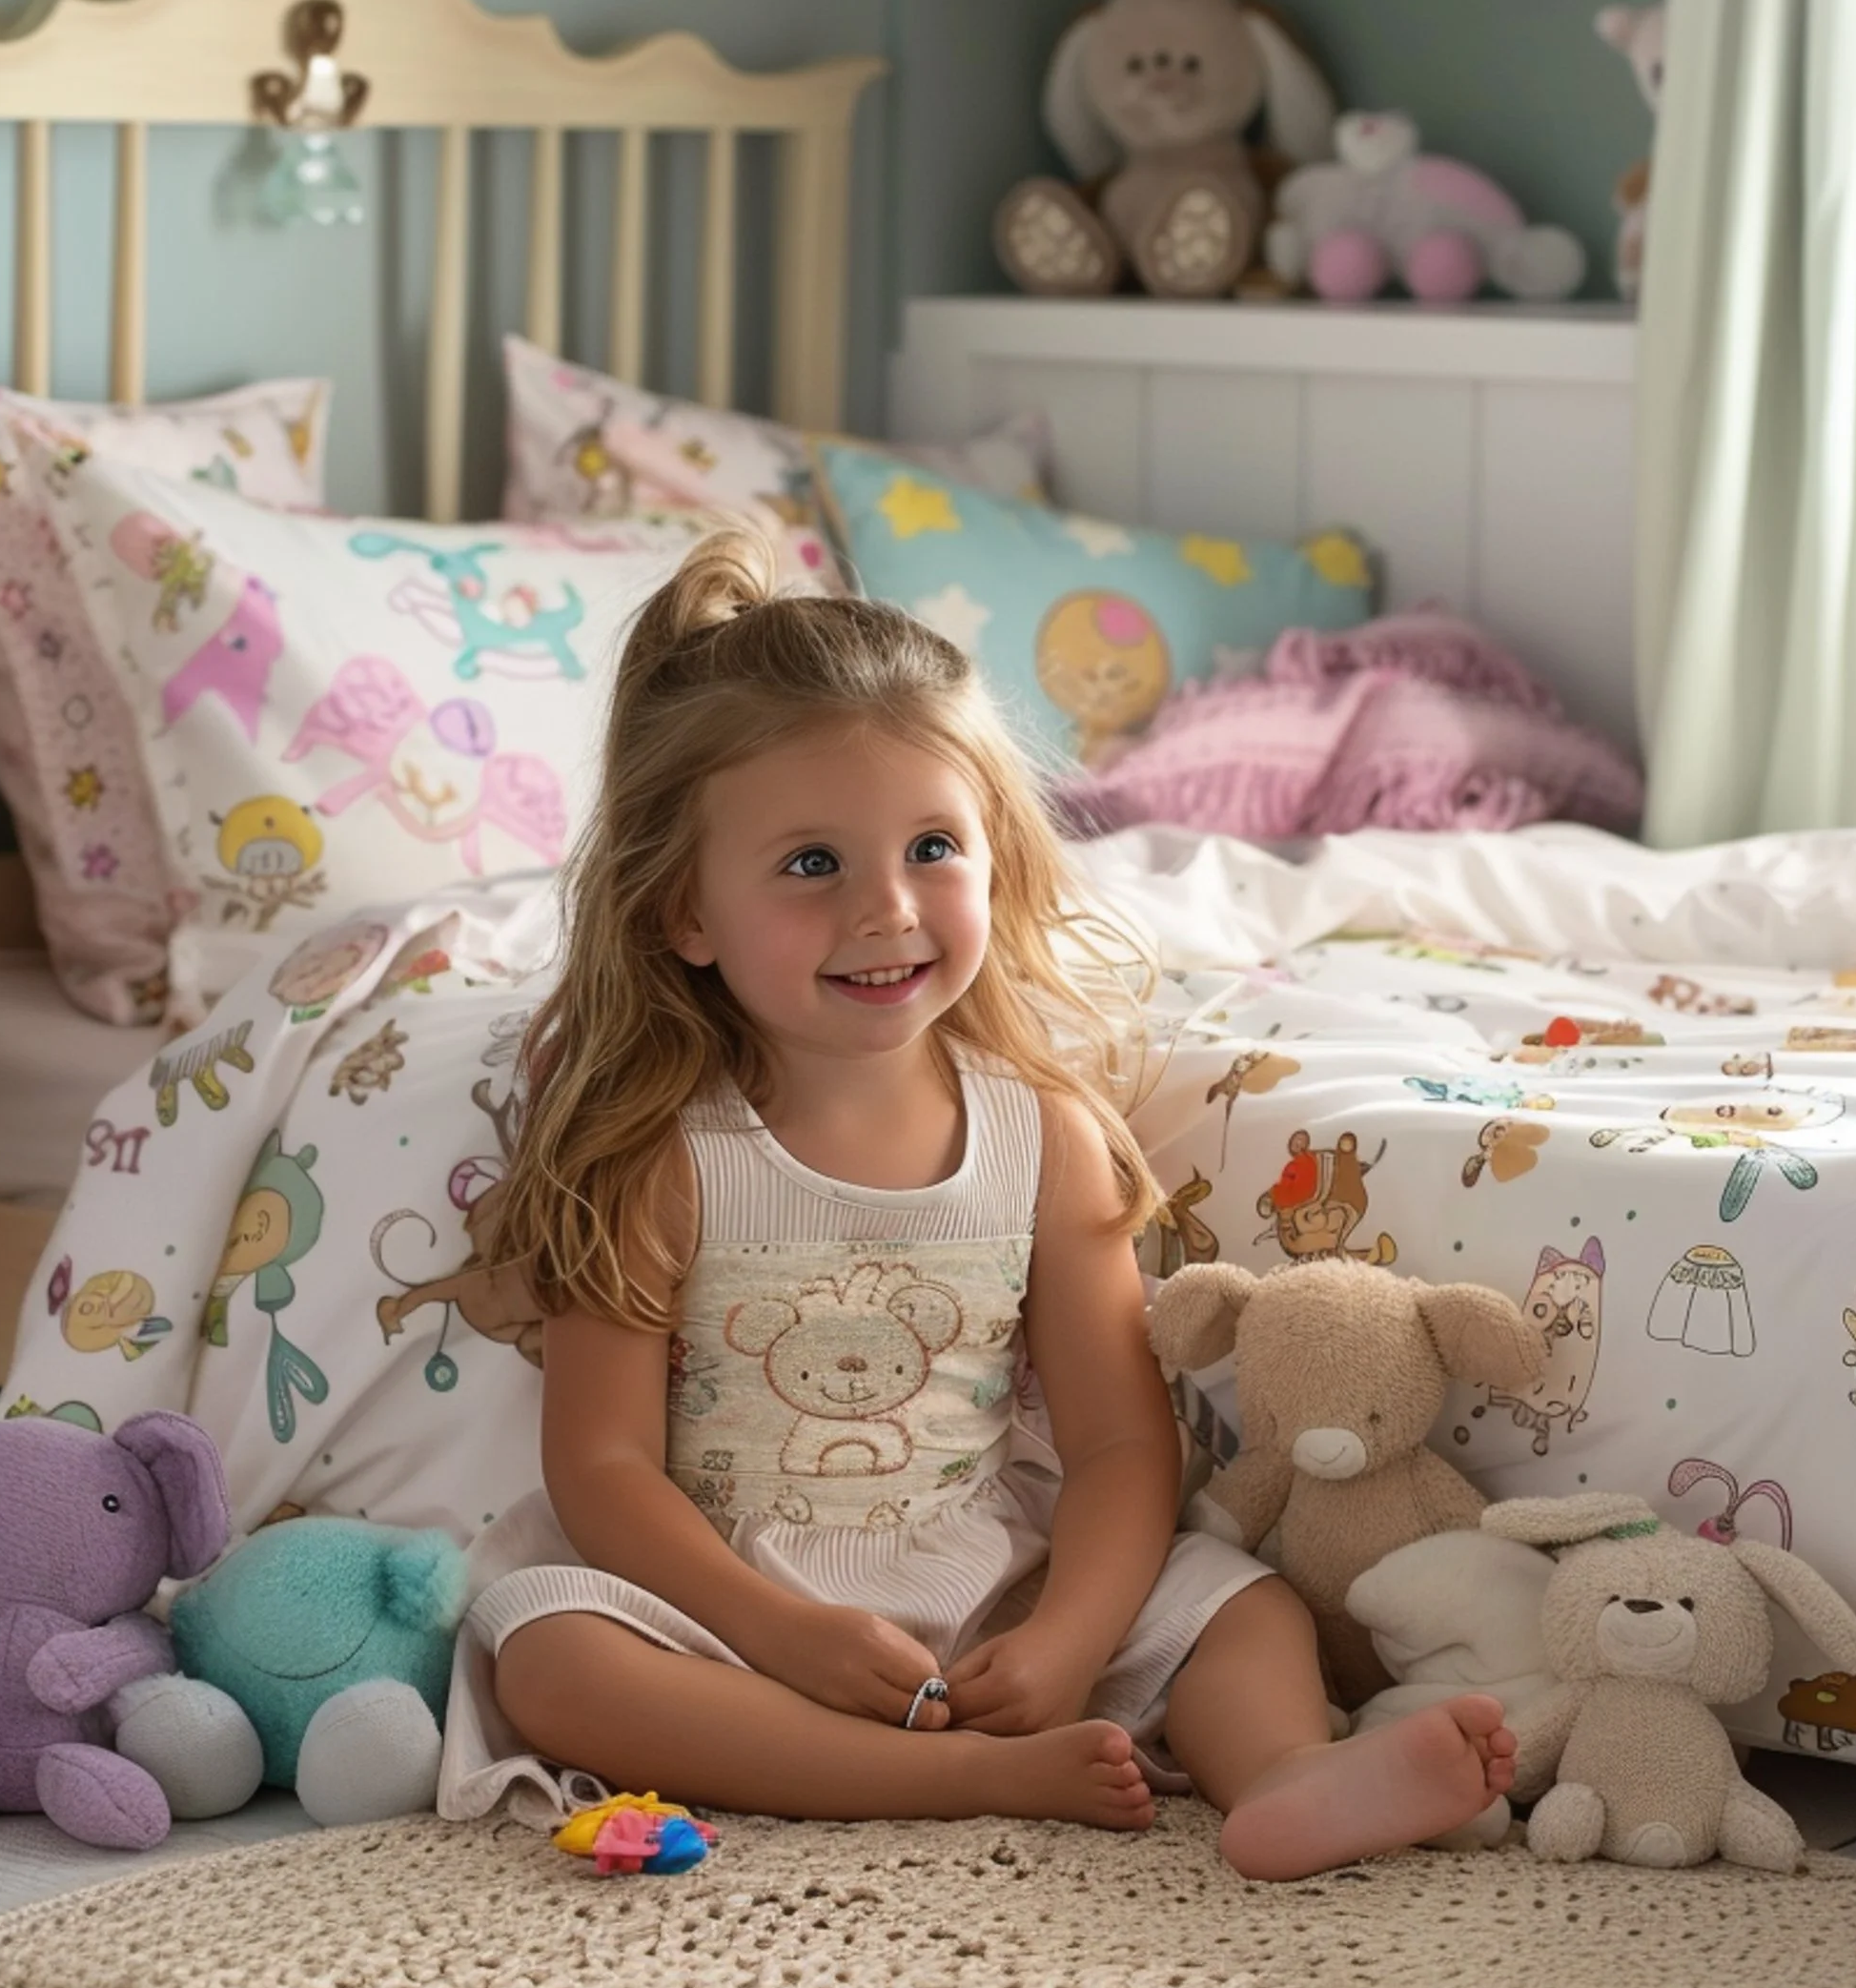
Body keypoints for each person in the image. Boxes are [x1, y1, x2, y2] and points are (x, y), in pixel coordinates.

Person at [452, 523, 1514, 1879]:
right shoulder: (662, 1154)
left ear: (996, 855)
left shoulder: (1040, 1134)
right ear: (684, 913)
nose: (887, 909)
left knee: (1243, 1606)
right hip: (732, 1610)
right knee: (551, 1660)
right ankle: (957, 1780)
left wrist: (1070, 1636)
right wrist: (780, 1629)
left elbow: (1122, 1449)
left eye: (932, 847)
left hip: (993, 1581)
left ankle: (1284, 1778)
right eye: (813, 864)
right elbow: (600, 1469)